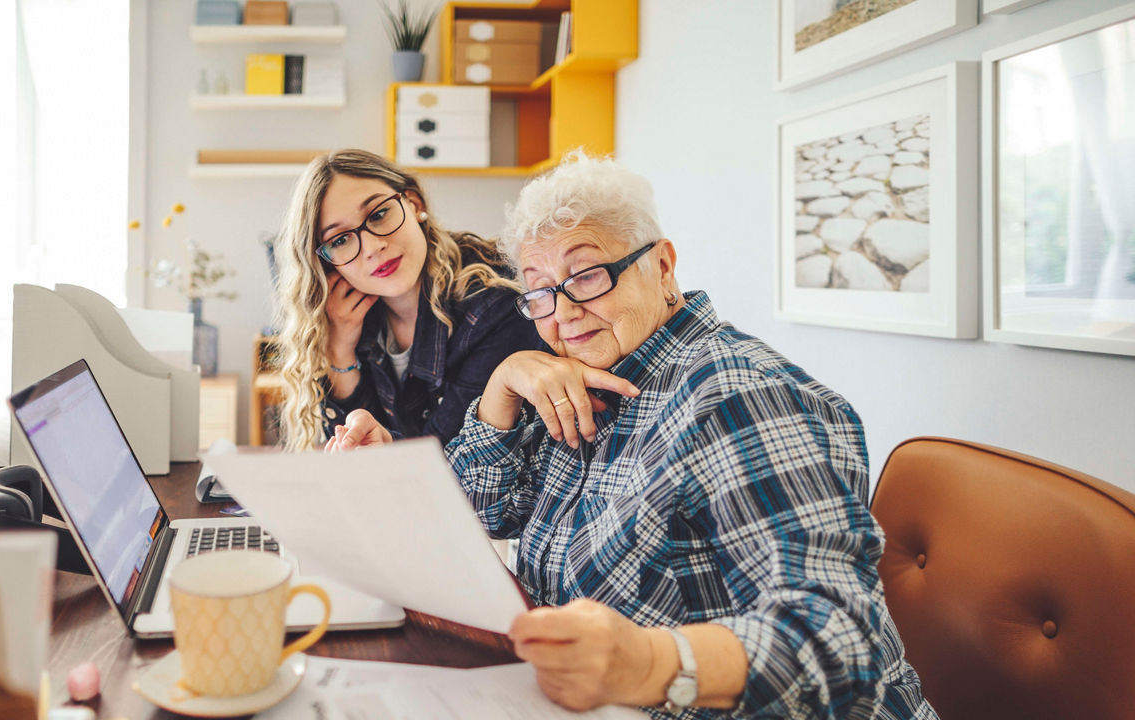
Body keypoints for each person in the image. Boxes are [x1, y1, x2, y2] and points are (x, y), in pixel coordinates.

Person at [329, 153, 937, 719]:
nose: (563, 312)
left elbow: (841, 640)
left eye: (587, 274)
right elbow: (488, 511)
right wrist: (500, 393)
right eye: (539, 292)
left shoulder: (733, 394)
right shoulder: (595, 378)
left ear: (662, 265)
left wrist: (649, 662)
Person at [271, 149, 544, 451]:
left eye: (378, 214)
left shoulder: (492, 306)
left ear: (414, 205)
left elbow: (445, 462)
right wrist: (340, 351)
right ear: (326, 263)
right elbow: (356, 451)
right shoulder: (350, 315)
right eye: (340, 240)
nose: (373, 247)